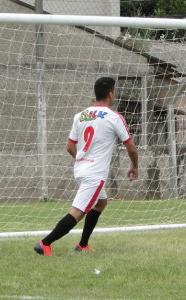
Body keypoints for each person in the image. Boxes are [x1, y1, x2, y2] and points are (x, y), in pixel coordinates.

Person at [34, 77, 139, 256]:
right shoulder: (114, 117)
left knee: (101, 203)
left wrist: (83, 160)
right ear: (111, 94)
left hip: (80, 169)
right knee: (78, 212)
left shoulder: (80, 116)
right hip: (94, 174)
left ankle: (83, 245)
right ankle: (45, 243)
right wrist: (134, 166)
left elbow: (69, 146)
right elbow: (131, 147)